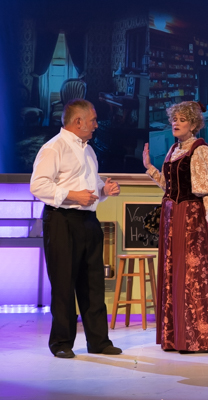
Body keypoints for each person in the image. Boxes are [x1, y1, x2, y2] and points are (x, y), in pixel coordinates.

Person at [143, 101, 208, 353]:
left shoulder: (201, 150)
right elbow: (170, 186)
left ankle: (197, 337)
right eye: (174, 119)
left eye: (182, 119)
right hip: (171, 216)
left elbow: (207, 189)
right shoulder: (173, 150)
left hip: (190, 217)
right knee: (173, 272)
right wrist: (150, 168)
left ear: (194, 124)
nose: (175, 123)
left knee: (192, 276)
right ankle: (176, 336)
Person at [30, 99, 122, 359]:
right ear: (78, 121)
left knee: (93, 282)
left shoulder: (89, 150)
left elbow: (90, 189)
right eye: (93, 119)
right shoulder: (54, 148)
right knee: (63, 283)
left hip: (88, 222)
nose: (96, 124)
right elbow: (38, 186)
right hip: (61, 220)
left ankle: (99, 342)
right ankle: (61, 342)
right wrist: (71, 196)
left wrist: (104, 190)